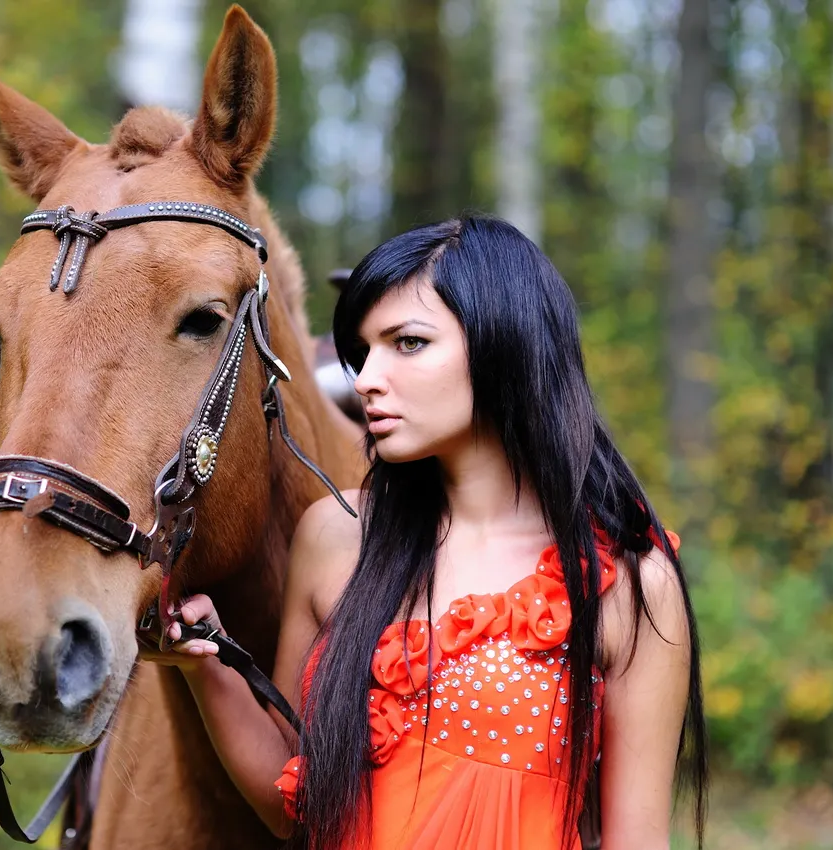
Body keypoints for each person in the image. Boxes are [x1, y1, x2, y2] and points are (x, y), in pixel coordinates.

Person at [150, 217, 708, 849]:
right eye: (363, 353)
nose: (365, 380)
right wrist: (208, 669)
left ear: (508, 341)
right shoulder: (337, 536)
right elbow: (294, 803)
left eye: (407, 343)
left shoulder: (626, 584)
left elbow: (638, 841)